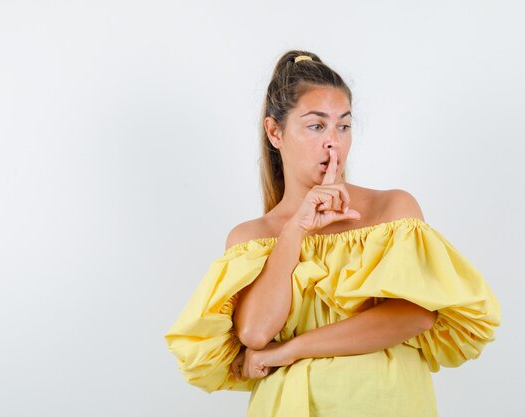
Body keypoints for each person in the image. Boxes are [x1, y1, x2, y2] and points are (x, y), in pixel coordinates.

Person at [164, 50, 501, 417]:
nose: (333, 142)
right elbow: (255, 334)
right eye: (316, 125)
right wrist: (296, 229)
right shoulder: (251, 238)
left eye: (343, 125)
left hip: (387, 404)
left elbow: (416, 316)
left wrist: (290, 350)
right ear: (275, 132)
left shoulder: (392, 210)